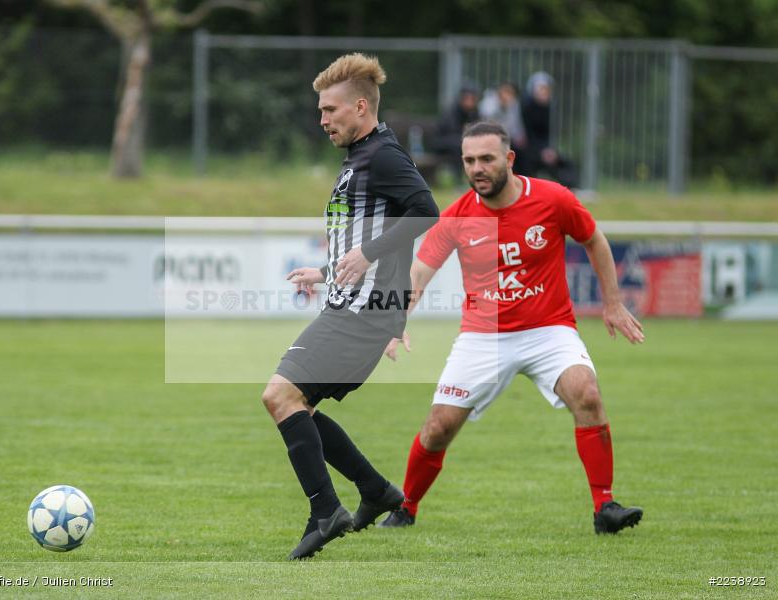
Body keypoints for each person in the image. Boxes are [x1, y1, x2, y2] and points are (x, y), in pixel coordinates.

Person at [378, 121, 644, 534]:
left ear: (509, 159)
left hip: (548, 329)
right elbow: (419, 273)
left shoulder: (553, 199)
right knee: (438, 427)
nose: (477, 168)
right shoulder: (458, 216)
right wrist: (396, 322)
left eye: (486, 159)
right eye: (469, 161)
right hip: (483, 337)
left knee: (587, 394)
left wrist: (612, 303)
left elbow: (594, 240)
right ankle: (406, 508)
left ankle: (605, 507)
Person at [261, 53, 440, 560]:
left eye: (330, 110)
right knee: (299, 406)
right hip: (350, 305)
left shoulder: (382, 155)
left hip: (364, 314)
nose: (323, 120)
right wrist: (326, 271)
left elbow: (428, 212)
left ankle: (326, 511)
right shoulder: (359, 158)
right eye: (320, 111)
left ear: (360, 107)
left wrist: (369, 255)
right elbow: (368, 233)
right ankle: (376, 491)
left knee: (279, 397)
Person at [521, 72, 579, 189]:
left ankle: (570, 189)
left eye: (547, 90)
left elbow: (550, 133)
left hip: (546, 149)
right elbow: (528, 133)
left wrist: (550, 149)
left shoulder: (550, 108)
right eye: (541, 89)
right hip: (530, 149)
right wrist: (542, 150)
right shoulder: (526, 107)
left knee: (566, 163)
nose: (544, 93)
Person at [480, 82, 528, 175]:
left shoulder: (514, 104)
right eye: (505, 92)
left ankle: (519, 177)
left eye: (510, 93)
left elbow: (516, 124)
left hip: (507, 137)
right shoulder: (489, 102)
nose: (507, 96)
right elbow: (486, 117)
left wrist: (520, 136)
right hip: (488, 136)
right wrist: (501, 105)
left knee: (522, 151)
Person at [435, 83, 481, 179]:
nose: (469, 102)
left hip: (459, 141)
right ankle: (458, 179)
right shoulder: (452, 111)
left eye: (472, 99)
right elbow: (450, 131)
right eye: (466, 98)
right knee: (458, 144)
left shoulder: (475, 112)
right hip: (442, 142)